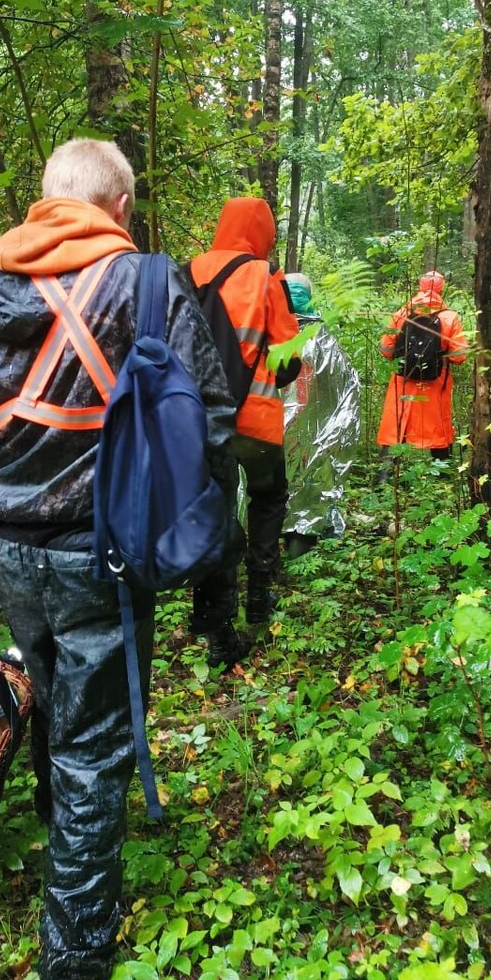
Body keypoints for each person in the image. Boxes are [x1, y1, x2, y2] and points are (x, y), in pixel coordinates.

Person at [0, 139, 236, 980]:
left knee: (58, 707)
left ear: (47, 198)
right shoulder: (148, 286)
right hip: (107, 562)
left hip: (11, 558)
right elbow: (211, 419)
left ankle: (67, 844)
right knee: (96, 756)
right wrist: (175, 527)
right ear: (121, 202)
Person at [189, 197, 300, 664]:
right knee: (268, 497)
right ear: (262, 231)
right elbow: (288, 359)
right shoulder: (265, 276)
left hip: (197, 424)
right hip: (253, 420)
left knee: (212, 512)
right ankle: (259, 594)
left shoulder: (187, 271)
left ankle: (216, 631)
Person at [281, 273, 361, 558]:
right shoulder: (325, 340)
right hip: (312, 438)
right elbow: (347, 393)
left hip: (266, 433)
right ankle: (298, 549)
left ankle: (267, 558)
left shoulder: (269, 332)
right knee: (306, 490)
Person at [376, 270, 468, 465]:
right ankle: (443, 475)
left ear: (420, 286)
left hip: (403, 381)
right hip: (436, 384)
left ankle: (384, 477)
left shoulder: (401, 313)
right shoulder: (450, 317)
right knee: (438, 428)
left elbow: (385, 349)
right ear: (442, 289)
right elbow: (460, 356)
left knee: (396, 426)